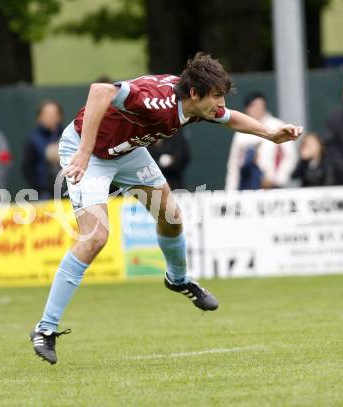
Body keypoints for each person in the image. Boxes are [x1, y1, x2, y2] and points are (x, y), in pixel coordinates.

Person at [30, 53, 302, 364]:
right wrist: (84, 150)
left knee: (171, 218)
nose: (220, 103)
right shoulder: (155, 100)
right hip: (88, 154)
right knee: (95, 237)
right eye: (216, 96)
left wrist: (270, 134)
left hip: (128, 153)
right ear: (195, 93)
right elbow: (99, 91)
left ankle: (178, 279)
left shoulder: (196, 104)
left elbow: (231, 118)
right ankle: (45, 328)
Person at [225, 92, 298, 190]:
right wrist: (230, 192)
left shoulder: (277, 125)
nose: (258, 109)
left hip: (273, 189)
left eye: (261, 105)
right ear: (247, 108)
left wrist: (277, 180)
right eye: (254, 106)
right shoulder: (240, 133)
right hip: (247, 188)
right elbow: (234, 164)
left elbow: (290, 156)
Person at [22, 100, 64, 199]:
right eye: (47, 114)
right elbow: (27, 168)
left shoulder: (68, 136)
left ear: (60, 116)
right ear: (39, 117)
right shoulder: (33, 139)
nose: (51, 117)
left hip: (68, 192)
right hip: (44, 194)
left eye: (54, 113)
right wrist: (39, 188)